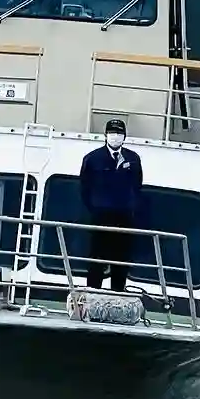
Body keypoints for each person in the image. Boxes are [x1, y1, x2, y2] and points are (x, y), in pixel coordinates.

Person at [78, 119, 144, 292]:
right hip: (100, 217)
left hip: (124, 218)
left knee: (121, 260)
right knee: (96, 260)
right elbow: (85, 188)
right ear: (106, 135)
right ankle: (93, 293)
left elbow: (137, 186)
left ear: (124, 136)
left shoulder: (133, 159)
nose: (115, 136)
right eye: (112, 133)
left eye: (119, 133)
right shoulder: (92, 158)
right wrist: (96, 207)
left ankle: (118, 294)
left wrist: (130, 206)